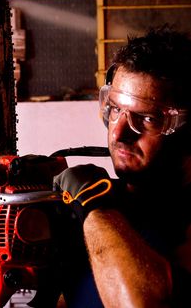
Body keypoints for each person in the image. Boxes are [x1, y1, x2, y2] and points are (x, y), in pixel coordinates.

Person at [53, 24, 191, 307]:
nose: (118, 134)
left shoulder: (97, 208)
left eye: (148, 119)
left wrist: (93, 203)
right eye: (115, 109)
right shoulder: (99, 209)